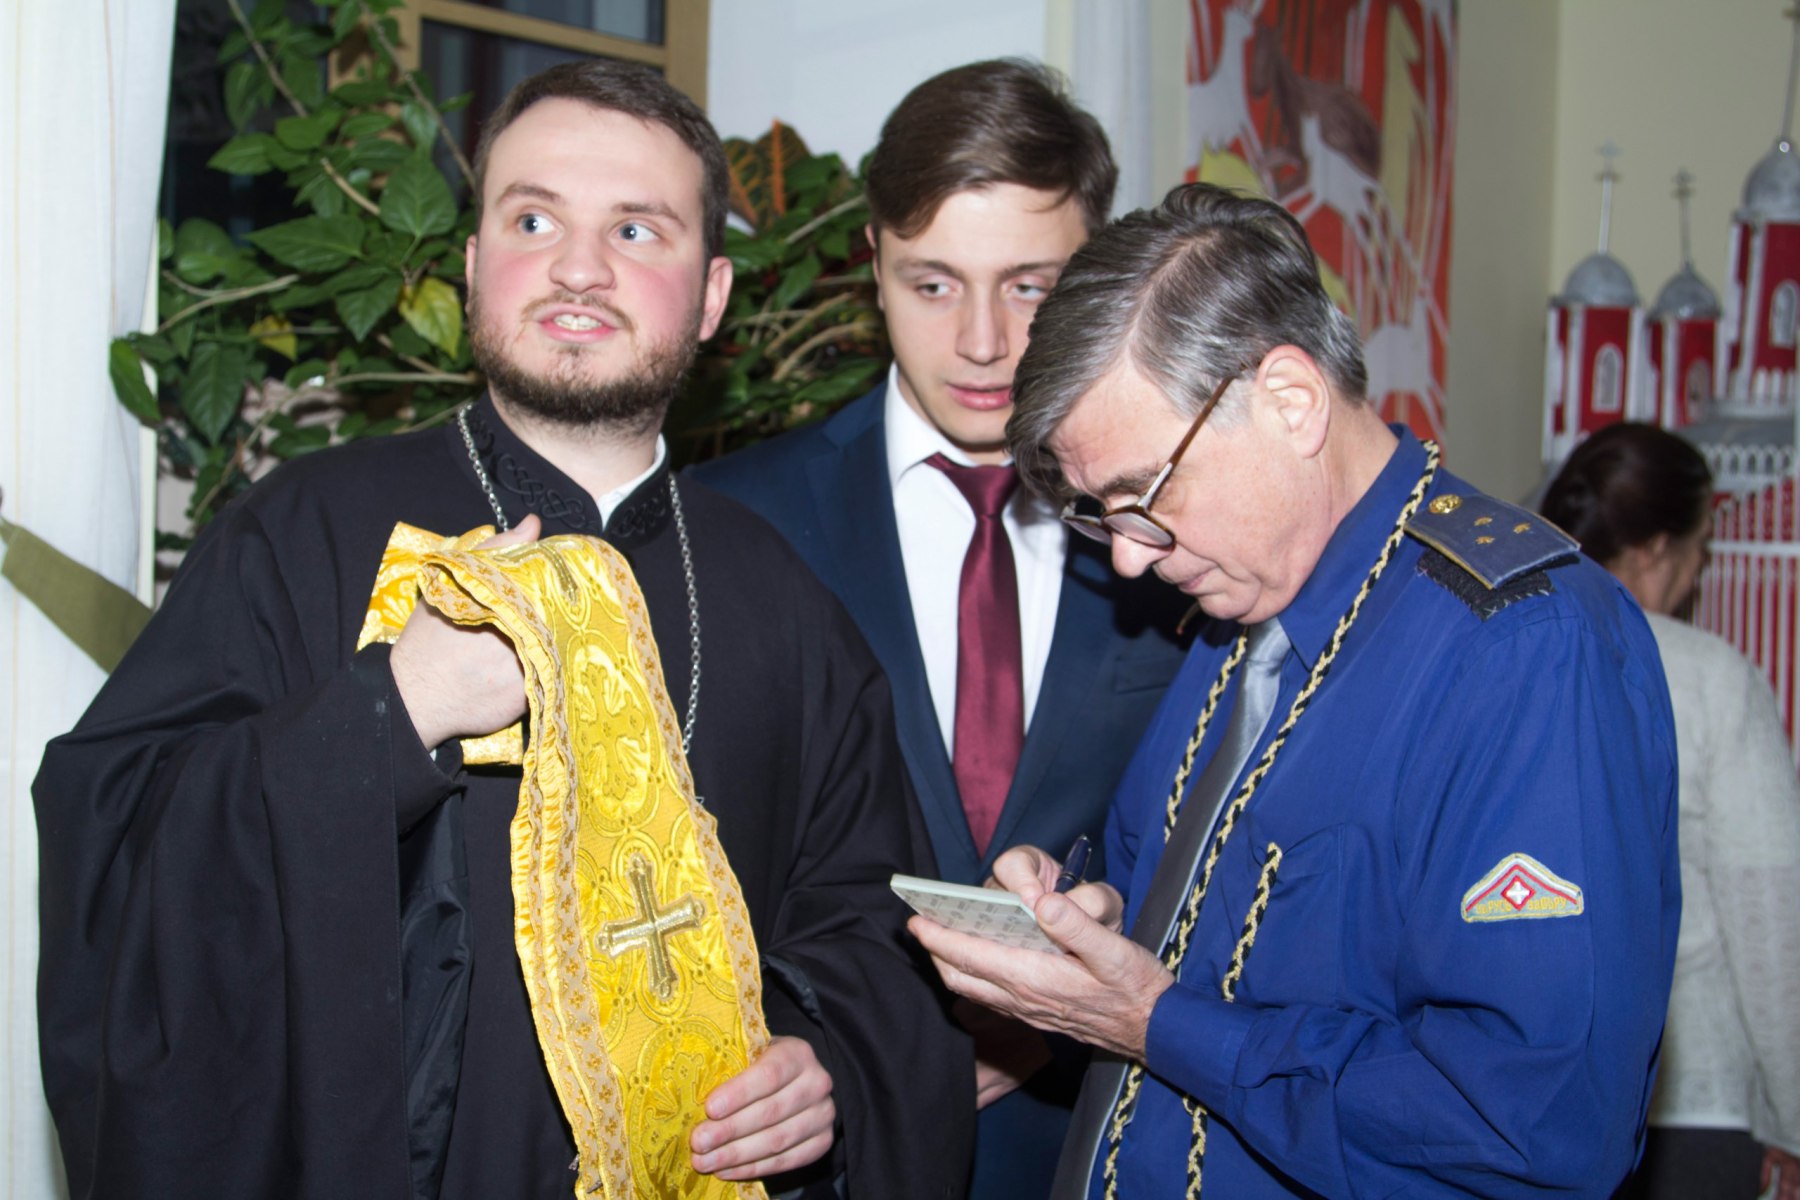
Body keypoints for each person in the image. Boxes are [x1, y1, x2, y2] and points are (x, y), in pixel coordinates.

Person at [34, 60, 971, 1200]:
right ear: (475, 262)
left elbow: (873, 923)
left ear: (713, 296)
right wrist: (391, 714)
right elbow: (116, 845)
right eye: (534, 221)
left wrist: (822, 1060)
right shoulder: (302, 532)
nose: (580, 267)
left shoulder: (783, 599)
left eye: (637, 229)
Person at [909, 183, 1683, 1199]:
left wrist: (1154, 1022)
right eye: (1103, 513)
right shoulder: (1234, 605)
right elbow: (1200, 936)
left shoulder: (1524, 647)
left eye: (1144, 496)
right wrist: (1081, 925)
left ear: (1291, 399)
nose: (1130, 558)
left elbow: (1528, 1128)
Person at [694, 59, 1188, 1197]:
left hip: (1100, 1146)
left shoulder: (1184, 536)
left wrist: (1075, 999)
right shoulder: (732, 522)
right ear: (872, 266)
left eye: (1030, 287)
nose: (981, 341)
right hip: (821, 1158)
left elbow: (1241, 846)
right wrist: (848, 1050)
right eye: (932, 284)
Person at [1541, 422, 1800, 1200]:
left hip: (1540, 1101)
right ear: (1656, 549)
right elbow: (1769, 924)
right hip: (1694, 1105)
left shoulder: (1509, 654)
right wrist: (1794, 1120)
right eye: (1698, 550)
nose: (1698, 573)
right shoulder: (1712, 676)